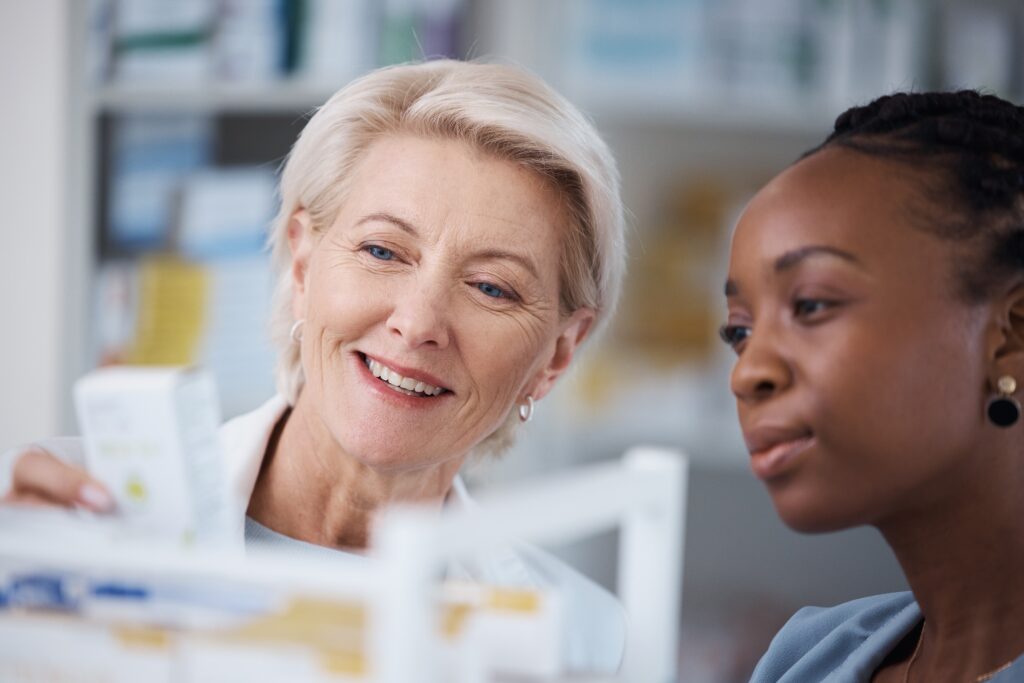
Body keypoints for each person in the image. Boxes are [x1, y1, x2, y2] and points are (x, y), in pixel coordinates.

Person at [0, 59, 627, 673]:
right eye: (382, 250)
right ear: (302, 268)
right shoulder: (53, 518)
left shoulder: (583, 642)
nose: (418, 322)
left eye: (492, 287)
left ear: (557, 353)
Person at [721, 90, 1024, 682]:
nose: (747, 372)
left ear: (1010, 340)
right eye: (739, 330)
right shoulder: (808, 658)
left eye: (809, 305)